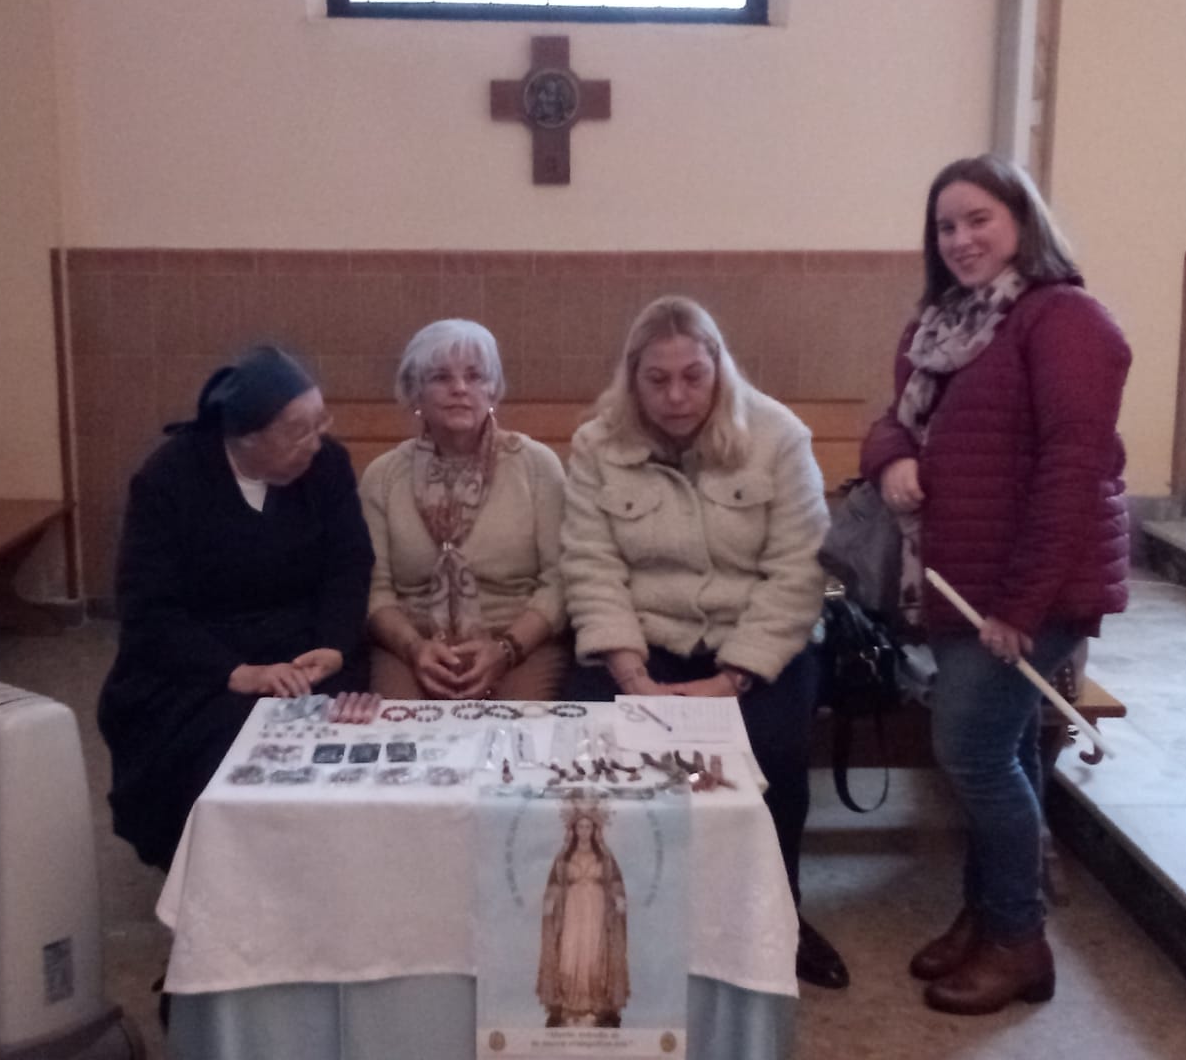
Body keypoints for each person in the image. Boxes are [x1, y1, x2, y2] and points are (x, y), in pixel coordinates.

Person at [859, 155, 1131, 1014]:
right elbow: (893, 423)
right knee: (1003, 752)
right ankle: (986, 915)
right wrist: (892, 459)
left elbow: (1071, 473)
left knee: (973, 752)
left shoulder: (1065, 320)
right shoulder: (940, 325)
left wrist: (1022, 606)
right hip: (956, 584)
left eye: (979, 218)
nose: (962, 238)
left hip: (1027, 592)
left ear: (1022, 221)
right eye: (946, 226)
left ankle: (1019, 939)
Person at [560, 295, 849, 990]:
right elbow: (590, 565)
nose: (676, 396)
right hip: (641, 644)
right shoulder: (597, 445)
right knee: (593, 743)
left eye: (693, 376)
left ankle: (780, 915)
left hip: (753, 644)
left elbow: (798, 571)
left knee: (771, 751)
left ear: (719, 369)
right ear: (633, 378)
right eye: (657, 380)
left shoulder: (778, 436)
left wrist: (733, 679)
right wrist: (632, 675)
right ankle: (628, 913)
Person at [96, 345, 372, 869]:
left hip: (304, 645)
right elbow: (149, 610)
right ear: (246, 438)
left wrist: (334, 644)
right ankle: (219, 882)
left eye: (321, 423)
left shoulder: (327, 465)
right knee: (219, 754)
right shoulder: (168, 480)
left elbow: (349, 564)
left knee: (346, 742)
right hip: (203, 659)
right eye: (299, 432)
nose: (316, 443)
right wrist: (238, 672)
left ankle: (327, 874)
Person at [361, 320, 569, 700]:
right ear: (415, 393)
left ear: (493, 389)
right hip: (412, 645)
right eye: (441, 377)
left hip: (520, 644)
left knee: (518, 731)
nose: (459, 388)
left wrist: (506, 649)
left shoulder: (537, 466)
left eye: (474, 376)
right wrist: (414, 649)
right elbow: (376, 590)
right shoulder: (383, 476)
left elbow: (559, 579)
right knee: (399, 731)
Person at [536, 801, 629, 1029]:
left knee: (594, 956)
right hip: (572, 910)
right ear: (574, 829)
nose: (584, 831)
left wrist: (618, 898)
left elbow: (614, 881)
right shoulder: (564, 858)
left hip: (597, 910)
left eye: (588, 827)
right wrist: (550, 900)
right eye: (580, 827)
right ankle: (568, 1005)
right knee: (569, 955)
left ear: (594, 829)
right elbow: (555, 882)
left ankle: (597, 1006)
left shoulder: (605, 857)